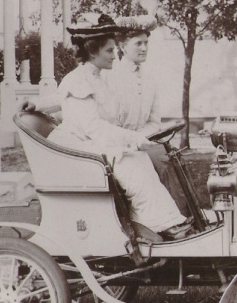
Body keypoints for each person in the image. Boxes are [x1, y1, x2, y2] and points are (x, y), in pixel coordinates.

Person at [46, 13, 191, 240]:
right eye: (110, 51)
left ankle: (155, 223)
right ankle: (160, 224)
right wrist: (131, 139)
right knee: (130, 162)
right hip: (78, 148)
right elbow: (94, 127)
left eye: (115, 50)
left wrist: (133, 140)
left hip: (93, 143)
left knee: (138, 158)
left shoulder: (99, 79)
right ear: (93, 52)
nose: (115, 55)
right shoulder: (79, 81)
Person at [108, 15, 190, 216]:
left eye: (146, 43)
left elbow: (154, 122)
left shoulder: (149, 80)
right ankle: (168, 223)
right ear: (122, 46)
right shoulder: (110, 75)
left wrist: (141, 139)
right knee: (163, 165)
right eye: (138, 43)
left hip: (141, 142)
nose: (144, 48)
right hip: (117, 147)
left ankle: (188, 219)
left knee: (175, 159)